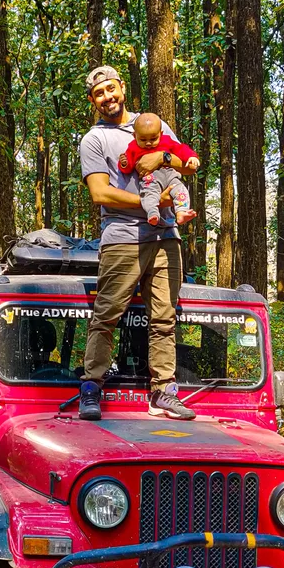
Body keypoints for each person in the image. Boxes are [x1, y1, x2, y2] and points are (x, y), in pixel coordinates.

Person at [78, 65, 197, 422]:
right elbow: (100, 193)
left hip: (166, 238)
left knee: (164, 318)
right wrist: (153, 203)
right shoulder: (94, 139)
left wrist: (161, 157)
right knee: (107, 315)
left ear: (122, 88)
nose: (107, 97)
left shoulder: (151, 123)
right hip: (122, 238)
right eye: (99, 93)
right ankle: (91, 388)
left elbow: (186, 163)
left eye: (110, 89)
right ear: (92, 100)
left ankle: (164, 391)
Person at [118, 111, 199, 226]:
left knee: (181, 190)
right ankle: (152, 213)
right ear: (134, 136)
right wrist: (124, 163)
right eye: (143, 140)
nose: (148, 143)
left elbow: (181, 149)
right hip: (150, 179)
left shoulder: (166, 141)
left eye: (153, 139)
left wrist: (192, 156)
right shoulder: (133, 148)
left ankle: (181, 212)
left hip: (171, 176)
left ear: (160, 134)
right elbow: (127, 168)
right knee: (149, 195)